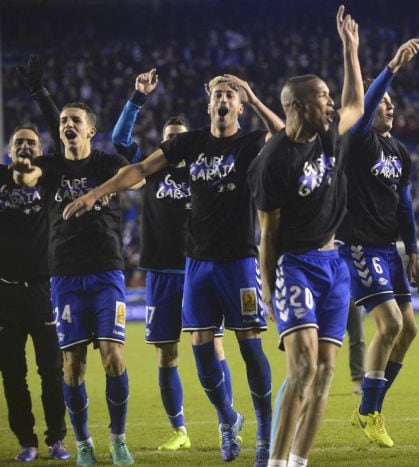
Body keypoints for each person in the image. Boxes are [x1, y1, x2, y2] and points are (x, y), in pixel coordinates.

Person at [62, 72, 284, 465]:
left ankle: (265, 436)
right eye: (217, 94)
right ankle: (229, 420)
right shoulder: (191, 143)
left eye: (230, 95)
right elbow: (140, 170)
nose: (223, 99)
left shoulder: (250, 143)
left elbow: (284, 137)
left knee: (249, 348)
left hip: (239, 260)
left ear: (239, 106)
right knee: (200, 353)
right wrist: (96, 192)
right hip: (196, 263)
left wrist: (252, 91)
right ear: (209, 103)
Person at [249, 5, 364, 467]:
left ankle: (297, 462)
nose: (331, 103)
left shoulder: (330, 133)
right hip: (295, 265)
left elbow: (356, 103)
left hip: (334, 265)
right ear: (296, 105)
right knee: (300, 368)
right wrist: (269, 291)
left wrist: (350, 50)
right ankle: (276, 463)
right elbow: (268, 236)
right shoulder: (271, 163)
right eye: (322, 97)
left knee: (326, 371)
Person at [110, 69, 234, 451]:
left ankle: (227, 422)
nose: (174, 145)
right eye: (168, 141)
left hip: (200, 270)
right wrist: (137, 97)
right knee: (167, 354)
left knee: (214, 348)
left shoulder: (204, 165)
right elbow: (118, 140)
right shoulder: (151, 170)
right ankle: (179, 430)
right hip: (161, 273)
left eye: (179, 140)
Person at [13, 102, 136, 466]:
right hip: (65, 275)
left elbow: (139, 177)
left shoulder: (105, 163)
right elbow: (28, 178)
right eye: (63, 120)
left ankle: (118, 440)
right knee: (72, 365)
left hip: (107, 271)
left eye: (75, 120)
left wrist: (98, 192)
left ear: (90, 130)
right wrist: (21, 173)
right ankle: (83, 444)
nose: (68, 124)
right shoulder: (50, 166)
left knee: (114, 357)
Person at [337, 38, 419, 448]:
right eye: (384, 101)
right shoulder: (359, 142)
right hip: (358, 245)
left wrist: (414, 252)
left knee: (409, 330)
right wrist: (391, 67)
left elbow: (404, 206)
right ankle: (371, 411)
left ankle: (370, 406)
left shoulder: (400, 152)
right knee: (388, 324)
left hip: (389, 250)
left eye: (392, 101)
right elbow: (364, 110)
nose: (390, 106)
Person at [0, 125, 69, 462]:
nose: (25, 146)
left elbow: (63, 136)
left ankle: (57, 439)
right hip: (5, 294)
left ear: (41, 149)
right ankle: (26, 441)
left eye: (31, 142)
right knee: (12, 374)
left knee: (52, 371)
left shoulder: (50, 176)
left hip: (44, 290)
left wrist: (40, 92)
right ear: (9, 150)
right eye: (18, 142)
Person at [347, 300, 366, 395]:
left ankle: (358, 381)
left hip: (352, 294)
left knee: (358, 338)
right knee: (322, 340)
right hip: (330, 292)